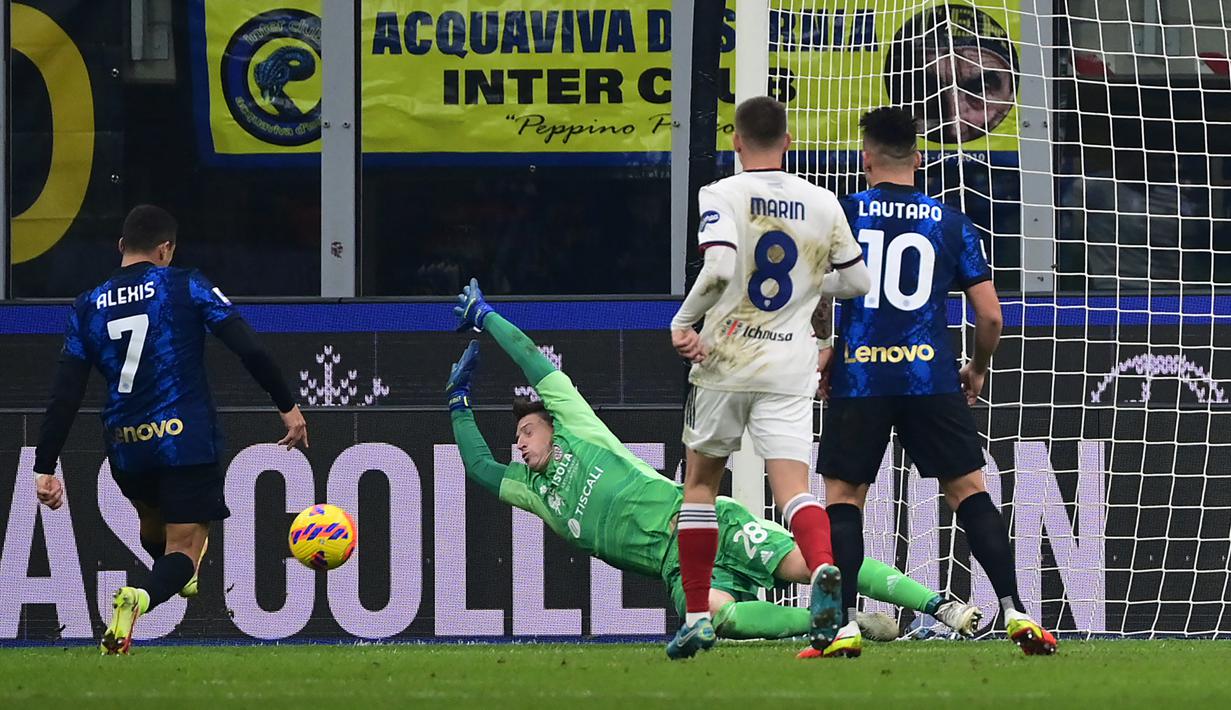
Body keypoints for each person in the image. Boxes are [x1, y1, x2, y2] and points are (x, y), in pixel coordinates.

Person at [447, 281, 980, 652]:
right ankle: (842, 621)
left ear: (551, 424)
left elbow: (530, 357)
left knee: (809, 564)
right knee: (718, 616)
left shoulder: (579, 427)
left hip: (706, 526)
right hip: (674, 567)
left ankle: (941, 606)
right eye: (516, 438)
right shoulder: (533, 490)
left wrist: (488, 318)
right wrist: (457, 400)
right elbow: (477, 467)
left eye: (526, 431)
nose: (519, 444)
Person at [814, 107, 1057, 658]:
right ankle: (1017, 610)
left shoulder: (844, 214)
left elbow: (822, 294)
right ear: (918, 160)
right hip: (930, 378)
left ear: (865, 158)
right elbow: (991, 317)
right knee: (969, 491)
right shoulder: (950, 223)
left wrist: (827, 348)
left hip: (861, 378)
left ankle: (846, 624)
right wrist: (978, 366)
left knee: (845, 497)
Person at [32, 204, 308, 654]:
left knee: (154, 523)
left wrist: (44, 466)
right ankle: (140, 599)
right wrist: (287, 406)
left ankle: (170, 575)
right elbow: (248, 347)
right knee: (188, 548)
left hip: (125, 445)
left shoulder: (86, 306)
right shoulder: (184, 283)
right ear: (166, 249)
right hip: (183, 438)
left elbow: (65, 393)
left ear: (121, 246)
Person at [667, 96, 872, 657]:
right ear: (787, 142)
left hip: (724, 360)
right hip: (789, 363)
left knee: (701, 487)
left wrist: (685, 322)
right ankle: (825, 572)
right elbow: (856, 283)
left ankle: (696, 618)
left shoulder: (722, 194)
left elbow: (720, 267)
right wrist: (810, 287)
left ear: (736, 142)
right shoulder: (822, 200)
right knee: (794, 490)